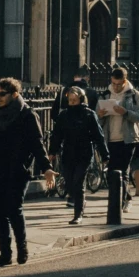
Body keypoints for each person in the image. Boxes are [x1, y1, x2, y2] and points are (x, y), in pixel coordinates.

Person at [0, 76, 48, 264]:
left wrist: (46, 168)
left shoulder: (27, 115)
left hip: (17, 170)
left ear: (15, 94)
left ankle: (22, 248)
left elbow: (37, 144)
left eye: (3, 94)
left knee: (14, 209)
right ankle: (5, 254)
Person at [48, 82, 108, 222]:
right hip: (68, 153)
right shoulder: (64, 115)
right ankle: (80, 204)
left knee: (78, 182)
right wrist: (52, 151)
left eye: (75, 100)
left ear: (81, 99)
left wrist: (105, 155)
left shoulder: (89, 114)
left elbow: (98, 136)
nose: (72, 103)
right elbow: (57, 135)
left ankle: (78, 214)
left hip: (84, 153)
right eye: (70, 100)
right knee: (69, 183)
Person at [96, 66, 139, 203]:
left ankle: (121, 201)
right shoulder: (105, 94)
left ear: (125, 81)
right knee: (111, 171)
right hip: (109, 139)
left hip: (127, 139)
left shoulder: (134, 94)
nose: (116, 87)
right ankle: (124, 197)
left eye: (119, 84)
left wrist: (126, 112)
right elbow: (96, 118)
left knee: (123, 170)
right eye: (113, 84)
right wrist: (100, 115)